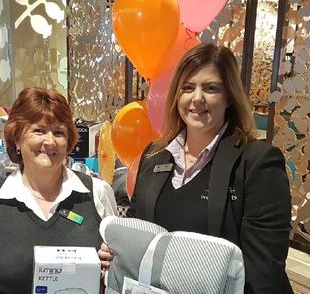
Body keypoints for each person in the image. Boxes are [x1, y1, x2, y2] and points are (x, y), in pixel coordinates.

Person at [98, 43, 293, 293]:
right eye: (187, 88)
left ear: (230, 97)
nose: (197, 98)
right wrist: (116, 250)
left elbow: (263, 271)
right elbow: (139, 229)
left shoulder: (258, 164)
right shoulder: (154, 156)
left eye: (210, 88)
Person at [0, 88, 118, 294]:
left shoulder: (98, 193)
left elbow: (117, 275)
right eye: (39, 130)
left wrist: (112, 263)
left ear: (68, 142)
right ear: (17, 138)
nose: (50, 141)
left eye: (59, 132)